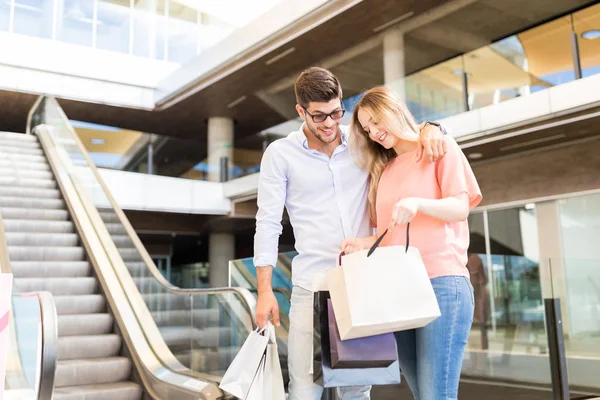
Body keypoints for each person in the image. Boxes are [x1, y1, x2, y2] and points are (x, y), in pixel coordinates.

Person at [253, 67, 448, 400]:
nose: (329, 123)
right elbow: (269, 222)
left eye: (336, 112)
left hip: (361, 285)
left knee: (357, 389)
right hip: (310, 286)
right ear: (300, 111)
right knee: (303, 389)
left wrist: (432, 127)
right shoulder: (280, 154)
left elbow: (402, 138)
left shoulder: (362, 141)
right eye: (318, 116)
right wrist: (264, 289)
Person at [341, 86, 482, 400]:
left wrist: (419, 204)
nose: (374, 132)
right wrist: (362, 243)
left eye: (377, 122)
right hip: (400, 290)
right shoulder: (384, 171)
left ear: (394, 110)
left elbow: (460, 207)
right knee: (424, 395)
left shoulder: (439, 146)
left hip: (442, 283)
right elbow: (389, 234)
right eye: (367, 129)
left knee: (437, 395)